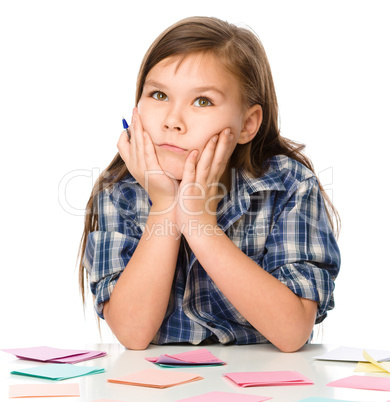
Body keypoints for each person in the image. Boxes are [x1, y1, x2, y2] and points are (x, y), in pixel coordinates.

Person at [78, 16, 341, 352]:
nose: (173, 121)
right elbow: (132, 333)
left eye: (202, 101)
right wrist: (165, 207)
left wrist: (199, 223)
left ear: (247, 124)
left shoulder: (289, 185)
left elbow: (292, 334)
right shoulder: (118, 190)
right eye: (158, 94)